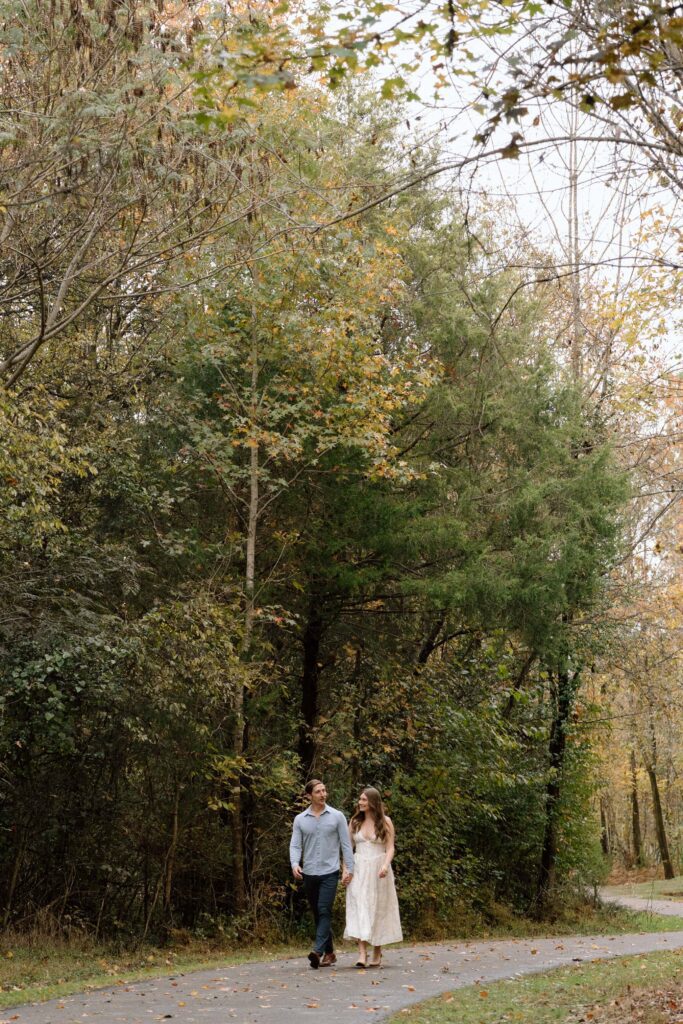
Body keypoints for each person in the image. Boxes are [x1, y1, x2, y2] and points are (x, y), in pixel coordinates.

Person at [290, 779, 355, 969]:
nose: (323, 794)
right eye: (318, 791)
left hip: (330, 871)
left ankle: (317, 951)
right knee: (318, 913)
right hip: (309, 872)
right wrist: (295, 863)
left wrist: (348, 869)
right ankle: (330, 953)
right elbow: (295, 844)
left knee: (324, 909)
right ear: (309, 795)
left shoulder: (337, 816)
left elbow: (346, 844)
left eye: (324, 790)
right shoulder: (300, 819)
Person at [344, 786, 402, 968]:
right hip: (359, 867)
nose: (360, 803)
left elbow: (390, 847)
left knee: (378, 907)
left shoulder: (385, 822)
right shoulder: (354, 822)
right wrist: (346, 869)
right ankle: (362, 953)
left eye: (364, 800)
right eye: (360, 799)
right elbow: (347, 848)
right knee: (359, 905)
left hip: (378, 868)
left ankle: (377, 949)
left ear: (373, 802)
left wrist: (385, 865)